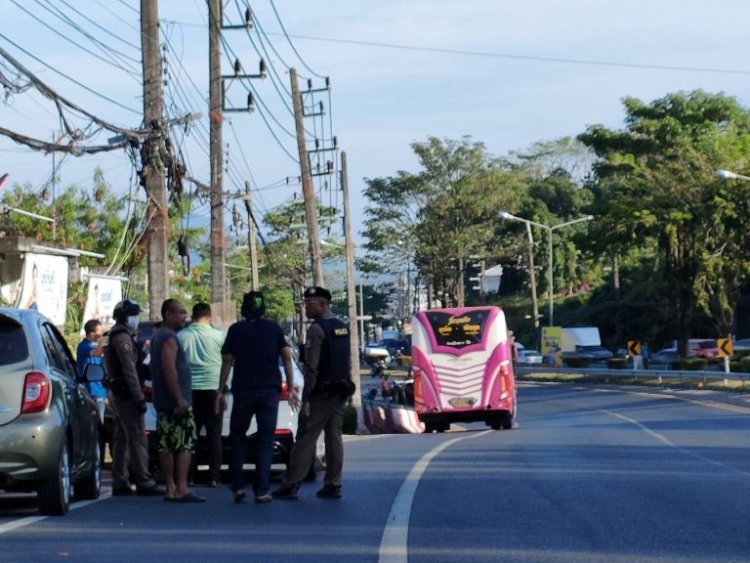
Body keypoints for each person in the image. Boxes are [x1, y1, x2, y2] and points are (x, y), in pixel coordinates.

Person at [216, 291, 299, 504]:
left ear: (243, 309)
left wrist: (220, 390)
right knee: (265, 440)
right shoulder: (273, 328)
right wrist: (290, 388)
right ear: (263, 309)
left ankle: (238, 486)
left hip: (243, 390)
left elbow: (227, 360)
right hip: (269, 391)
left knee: (238, 437)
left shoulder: (236, 330)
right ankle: (262, 490)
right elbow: (287, 358)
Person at [273, 286, 354, 501]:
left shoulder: (317, 330)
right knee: (334, 436)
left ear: (323, 304)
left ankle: (291, 483)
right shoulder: (342, 327)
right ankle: (333, 483)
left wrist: (307, 398)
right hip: (340, 389)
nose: (306, 308)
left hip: (322, 392)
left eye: (310, 304)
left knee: (306, 437)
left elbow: (312, 367)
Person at [102, 299, 161, 496]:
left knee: (122, 437)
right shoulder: (122, 339)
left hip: (118, 393)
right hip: (126, 393)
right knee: (137, 437)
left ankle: (120, 480)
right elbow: (129, 371)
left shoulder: (118, 335)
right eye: (134, 314)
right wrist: (138, 397)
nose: (136, 317)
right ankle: (143, 480)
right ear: (124, 316)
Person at [150, 298, 204, 503]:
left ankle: (171, 488)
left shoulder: (159, 336)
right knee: (183, 444)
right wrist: (179, 397)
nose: (184, 316)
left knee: (166, 443)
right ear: (168, 315)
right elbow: (168, 368)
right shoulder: (169, 338)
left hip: (164, 400)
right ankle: (180, 487)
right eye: (180, 313)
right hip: (175, 402)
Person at [177, 303, 225, 487]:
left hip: (189, 390)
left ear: (192, 316)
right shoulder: (219, 336)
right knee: (214, 435)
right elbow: (228, 359)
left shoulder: (181, 336)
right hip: (213, 389)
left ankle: (189, 477)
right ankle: (214, 477)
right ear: (210, 317)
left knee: (190, 434)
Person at [77, 319, 107, 421]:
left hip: (101, 389)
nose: (102, 334)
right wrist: (104, 338)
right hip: (92, 390)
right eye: (100, 332)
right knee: (96, 421)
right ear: (92, 333)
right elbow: (97, 353)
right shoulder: (83, 346)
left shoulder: (93, 345)